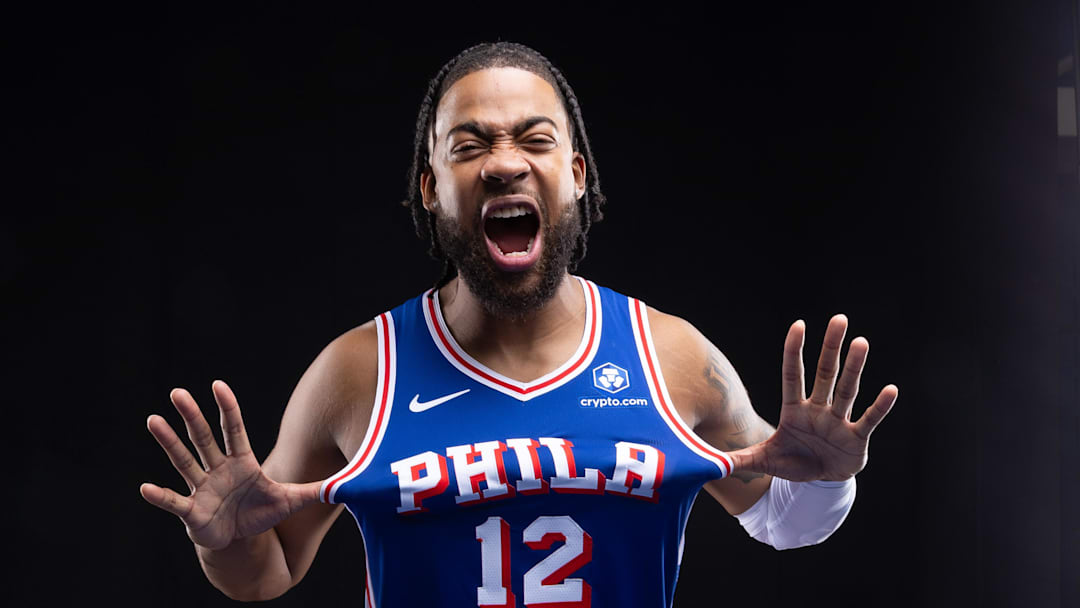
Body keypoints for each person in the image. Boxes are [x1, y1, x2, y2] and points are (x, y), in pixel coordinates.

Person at [140, 42, 898, 607]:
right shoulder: (359, 371)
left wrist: (829, 484)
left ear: (576, 174)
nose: (503, 163)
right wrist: (226, 542)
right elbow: (268, 572)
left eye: (534, 139)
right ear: (432, 188)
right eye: (469, 147)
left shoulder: (667, 355)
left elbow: (786, 523)